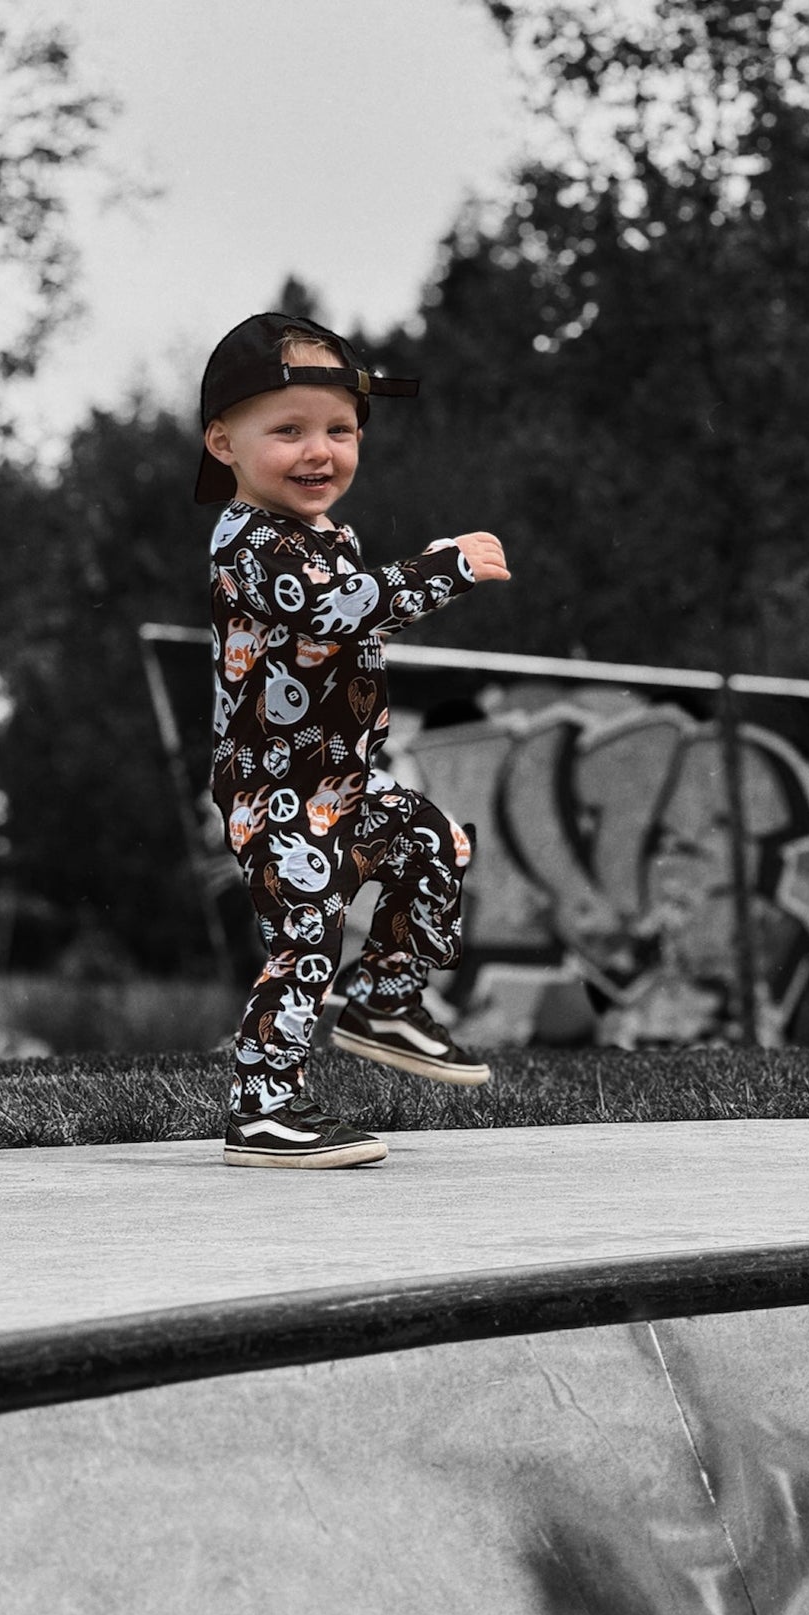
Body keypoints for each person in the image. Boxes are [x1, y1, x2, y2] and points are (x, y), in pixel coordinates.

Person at [196, 310, 510, 1167]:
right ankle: (263, 1108)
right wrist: (440, 569)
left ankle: (382, 1001)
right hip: (274, 790)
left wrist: (403, 582)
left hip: (341, 782)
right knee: (306, 934)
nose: (319, 452)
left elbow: (357, 618)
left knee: (434, 844)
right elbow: (328, 609)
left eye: (339, 430)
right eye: (288, 431)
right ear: (223, 443)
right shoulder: (248, 542)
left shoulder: (330, 536)